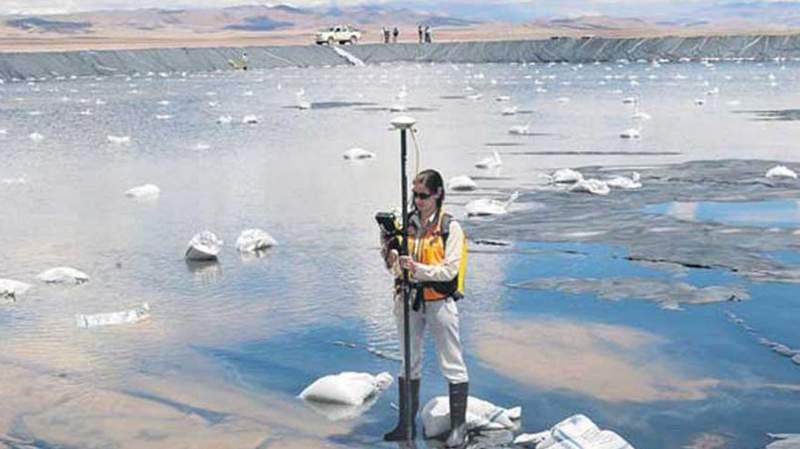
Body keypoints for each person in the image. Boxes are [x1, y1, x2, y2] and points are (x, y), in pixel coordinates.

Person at [381, 169, 470, 447]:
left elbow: (449, 271)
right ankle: (405, 425)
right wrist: (388, 249)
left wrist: (417, 269)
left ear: (438, 194)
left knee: (452, 362)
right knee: (409, 361)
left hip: (439, 302)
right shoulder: (404, 225)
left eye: (424, 196)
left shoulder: (449, 228)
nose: (418, 201)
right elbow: (392, 267)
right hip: (407, 300)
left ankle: (459, 429)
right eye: (415, 196)